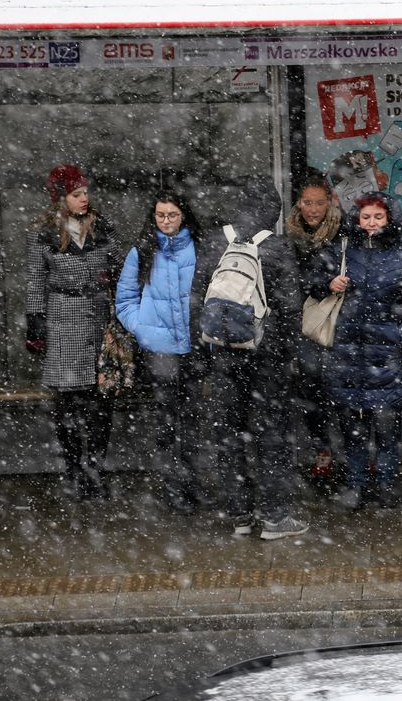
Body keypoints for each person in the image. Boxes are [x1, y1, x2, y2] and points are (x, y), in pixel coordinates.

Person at [199, 175, 306, 540]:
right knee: (271, 436)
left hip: (224, 356)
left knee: (229, 434)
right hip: (266, 358)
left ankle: (240, 515)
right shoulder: (277, 248)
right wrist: (286, 353)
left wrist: (207, 352)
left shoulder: (215, 243)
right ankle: (276, 518)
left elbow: (198, 300)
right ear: (273, 210)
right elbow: (291, 309)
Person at [308, 192, 402, 511]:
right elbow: (312, 283)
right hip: (347, 354)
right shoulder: (342, 251)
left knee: (388, 425)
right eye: (366, 217)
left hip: (390, 355)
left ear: (390, 219)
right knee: (353, 428)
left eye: (378, 217)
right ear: (356, 220)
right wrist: (328, 284)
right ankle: (355, 484)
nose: (372, 223)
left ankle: (387, 484)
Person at [25, 165, 120, 500]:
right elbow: (36, 280)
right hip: (63, 319)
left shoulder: (101, 226)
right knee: (67, 403)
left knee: (100, 401)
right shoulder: (44, 231)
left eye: (85, 192)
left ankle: (95, 467)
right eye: (77, 193)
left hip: (97, 318)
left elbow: (120, 267)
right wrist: (36, 324)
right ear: (61, 197)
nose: (85, 198)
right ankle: (73, 471)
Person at [115, 189, 205, 513]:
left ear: (184, 216)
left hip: (194, 346)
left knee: (193, 421)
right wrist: (142, 327)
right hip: (160, 349)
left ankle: (193, 485)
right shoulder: (142, 251)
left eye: (172, 215)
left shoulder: (199, 248)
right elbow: (124, 300)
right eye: (160, 215)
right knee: (167, 422)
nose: (165, 221)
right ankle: (172, 488)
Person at [285, 173, 344, 483]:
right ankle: (323, 448)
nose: (313, 209)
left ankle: (352, 450)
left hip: (340, 316)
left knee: (345, 384)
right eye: (308, 202)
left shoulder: (343, 232)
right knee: (311, 383)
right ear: (299, 203)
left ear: (329, 202)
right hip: (306, 320)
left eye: (319, 202)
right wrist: (320, 284)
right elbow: (288, 280)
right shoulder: (289, 236)